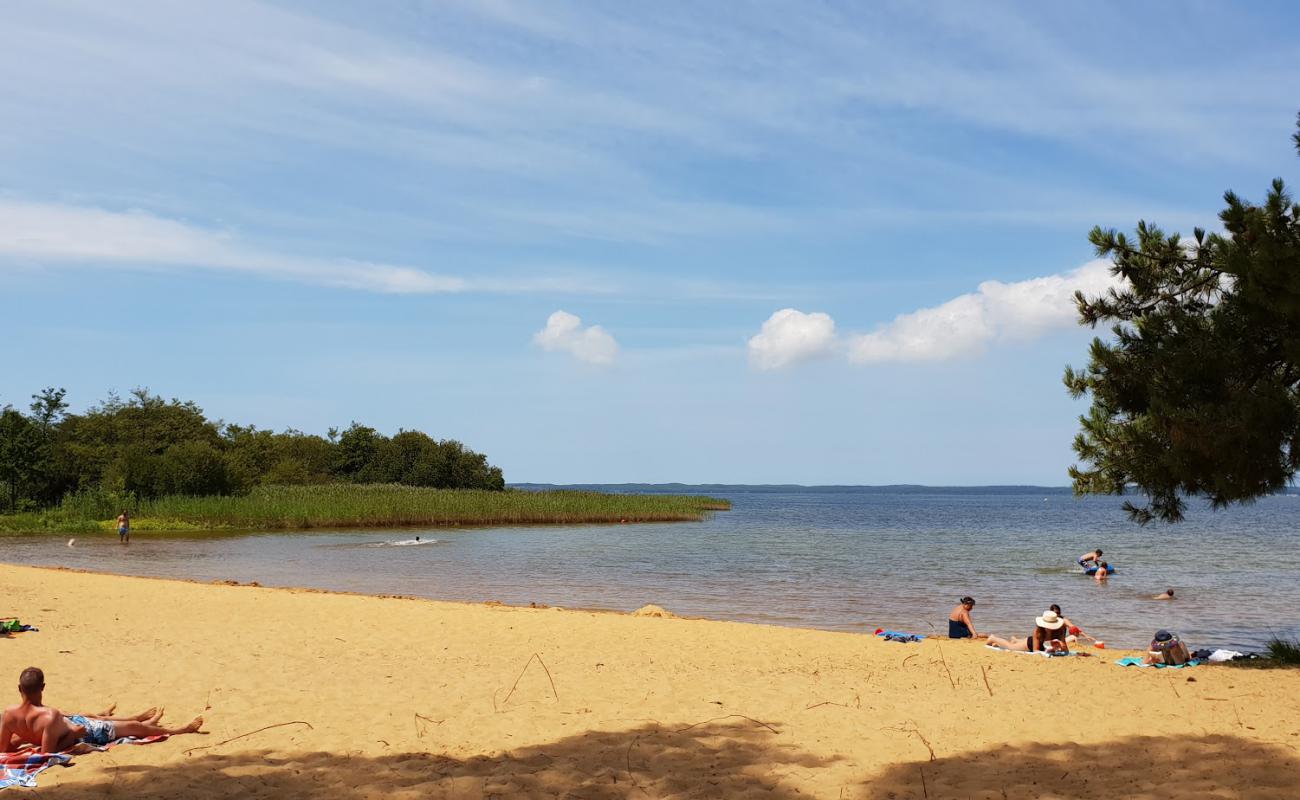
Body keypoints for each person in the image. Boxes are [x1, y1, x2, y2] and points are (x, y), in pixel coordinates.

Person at [1, 667, 202, 753]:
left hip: (73, 726)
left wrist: (26, 738)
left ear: (19, 689)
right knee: (132, 727)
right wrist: (72, 735)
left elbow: (3, 749)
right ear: (43, 687)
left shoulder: (8, 714)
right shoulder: (50, 715)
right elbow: (47, 753)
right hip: (82, 733)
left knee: (118, 723)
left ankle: (147, 722)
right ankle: (180, 730)